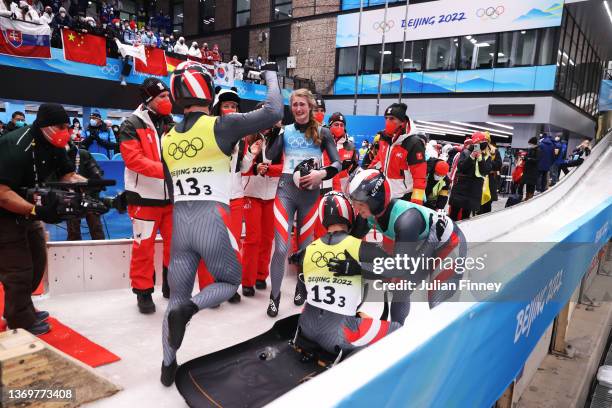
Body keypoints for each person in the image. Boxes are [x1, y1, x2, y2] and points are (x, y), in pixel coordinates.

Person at [159, 60, 283, 386]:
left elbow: (170, 186)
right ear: (206, 90)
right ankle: (191, 309)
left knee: (174, 301)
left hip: (181, 222)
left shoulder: (167, 137)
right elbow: (273, 110)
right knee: (229, 281)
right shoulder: (221, 125)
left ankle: (167, 366)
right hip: (212, 218)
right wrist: (270, 74)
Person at [0, 103, 86, 336]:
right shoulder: (15, 146)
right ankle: (19, 320)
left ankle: (23, 306)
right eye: (61, 126)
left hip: (29, 209)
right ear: (45, 126)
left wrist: (88, 185)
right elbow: (3, 192)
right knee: (18, 269)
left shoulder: (55, 143)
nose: (66, 132)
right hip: (5, 213)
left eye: (68, 127)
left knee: (38, 259)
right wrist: (36, 212)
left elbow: (67, 174)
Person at [348, 169, 466, 324]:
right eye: (354, 204)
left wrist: (356, 268)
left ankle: (449, 337)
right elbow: (349, 242)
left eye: (360, 204)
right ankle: (396, 329)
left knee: (437, 303)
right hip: (428, 241)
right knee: (400, 288)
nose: (356, 210)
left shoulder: (406, 220)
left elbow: (400, 268)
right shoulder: (369, 213)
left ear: (375, 202)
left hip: (449, 243)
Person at [290, 192, 402, 354]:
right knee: (398, 328)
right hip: (339, 336)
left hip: (305, 328)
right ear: (349, 214)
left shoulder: (306, 250)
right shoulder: (361, 247)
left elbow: (303, 293)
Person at [265, 88, 342, 318]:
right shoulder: (286, 131)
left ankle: (301, 284)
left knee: (305, 248)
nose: (298, 108)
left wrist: (322, 174)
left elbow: (338, 164)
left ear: (310, 107)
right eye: (295, 105)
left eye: (302, 104)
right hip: (286, 191)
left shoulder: (323, 131)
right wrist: (274, 133)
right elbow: (270, 156)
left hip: (310, 193)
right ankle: (274, 297)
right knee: (280, 248)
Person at [118, 78, 175, 314]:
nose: (167, 101)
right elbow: (133, 160)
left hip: (171, 199)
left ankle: (171, 286)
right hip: (143, 198)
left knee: (176, 247)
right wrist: (167, 171)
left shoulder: (172, 123)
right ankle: (143, 292)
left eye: (168, 96)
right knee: (144, 248)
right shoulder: (130, 124)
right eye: (162, 97)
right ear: (149, 100)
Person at [209, 86, 260, 301]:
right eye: (226, 106)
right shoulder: (209, 130)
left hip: (237, 195)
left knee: (234, 242)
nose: (230, 109)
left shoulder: (241, 136)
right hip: (215, 195)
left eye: (233, 106)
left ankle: (231, 285)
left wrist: (251, 153)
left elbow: (242, 167)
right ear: (218, 108)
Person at [242, 116, 284, 294]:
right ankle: (247, 281)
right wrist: (254, 162)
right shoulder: (247, 136)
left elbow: (288, 166)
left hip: (272, 195)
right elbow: (242, 167)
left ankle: (260, 275)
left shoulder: (283, 138)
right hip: (251, 194)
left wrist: (268, 170)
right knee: (253, 238)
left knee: (267, 239)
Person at [367, 103, 427, 205]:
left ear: (402, 121)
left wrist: (416, 201)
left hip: (404, 196)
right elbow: (379, 159)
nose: (388, 121)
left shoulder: (413, 143)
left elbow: (420, 175)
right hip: (385, 191)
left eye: (392, 118)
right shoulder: (384, 138)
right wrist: (367, 174)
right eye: (386, 118)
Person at [315, 112, 358, 238]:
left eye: (341, 124)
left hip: (342, 190)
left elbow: (353, 171)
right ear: (330, 125)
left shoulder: (350, 146)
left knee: (339, 224)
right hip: (322, 187)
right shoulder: (322, 141)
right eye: (335, 124)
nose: (339, 127)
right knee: (319, 224)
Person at [65, 138, 105, 241]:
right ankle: (73, 255)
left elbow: (98, 177)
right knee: (73, 233)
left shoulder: (83, 154)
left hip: (90, 196)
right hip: (69, 198)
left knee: (96, 230)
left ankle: (101, 253)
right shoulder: (57, 158)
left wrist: (86, 190)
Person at [448, 132, 492, 221]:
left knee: (466, 215)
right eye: (481, 141)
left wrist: (480, 158)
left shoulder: (486, 157)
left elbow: (485, 171)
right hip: (461, 187)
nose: (483, 143)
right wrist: (471, 156)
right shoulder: (465, 152)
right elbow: (461, 167)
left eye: (485, 141)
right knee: (454, 213)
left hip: (474, 189)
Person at [478, 138, 502, 215]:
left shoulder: (494, 151)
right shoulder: (477, 149)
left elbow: (499, 165)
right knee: (478, 202)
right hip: (478, 179)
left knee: (487, 203)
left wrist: (489, 161)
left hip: (490, 180)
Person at [521, 137, 540, 201]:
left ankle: (530, 197)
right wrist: (524, 158)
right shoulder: (530, 150)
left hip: (533, 170)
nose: (529, 145)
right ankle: (527, 197)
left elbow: (537, 160)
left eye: (530, 144)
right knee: (528, 184)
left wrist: (528, 159)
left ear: (533, 143)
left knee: (531, 185)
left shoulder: (538, 150)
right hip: (527, 170)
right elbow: (527, 157)